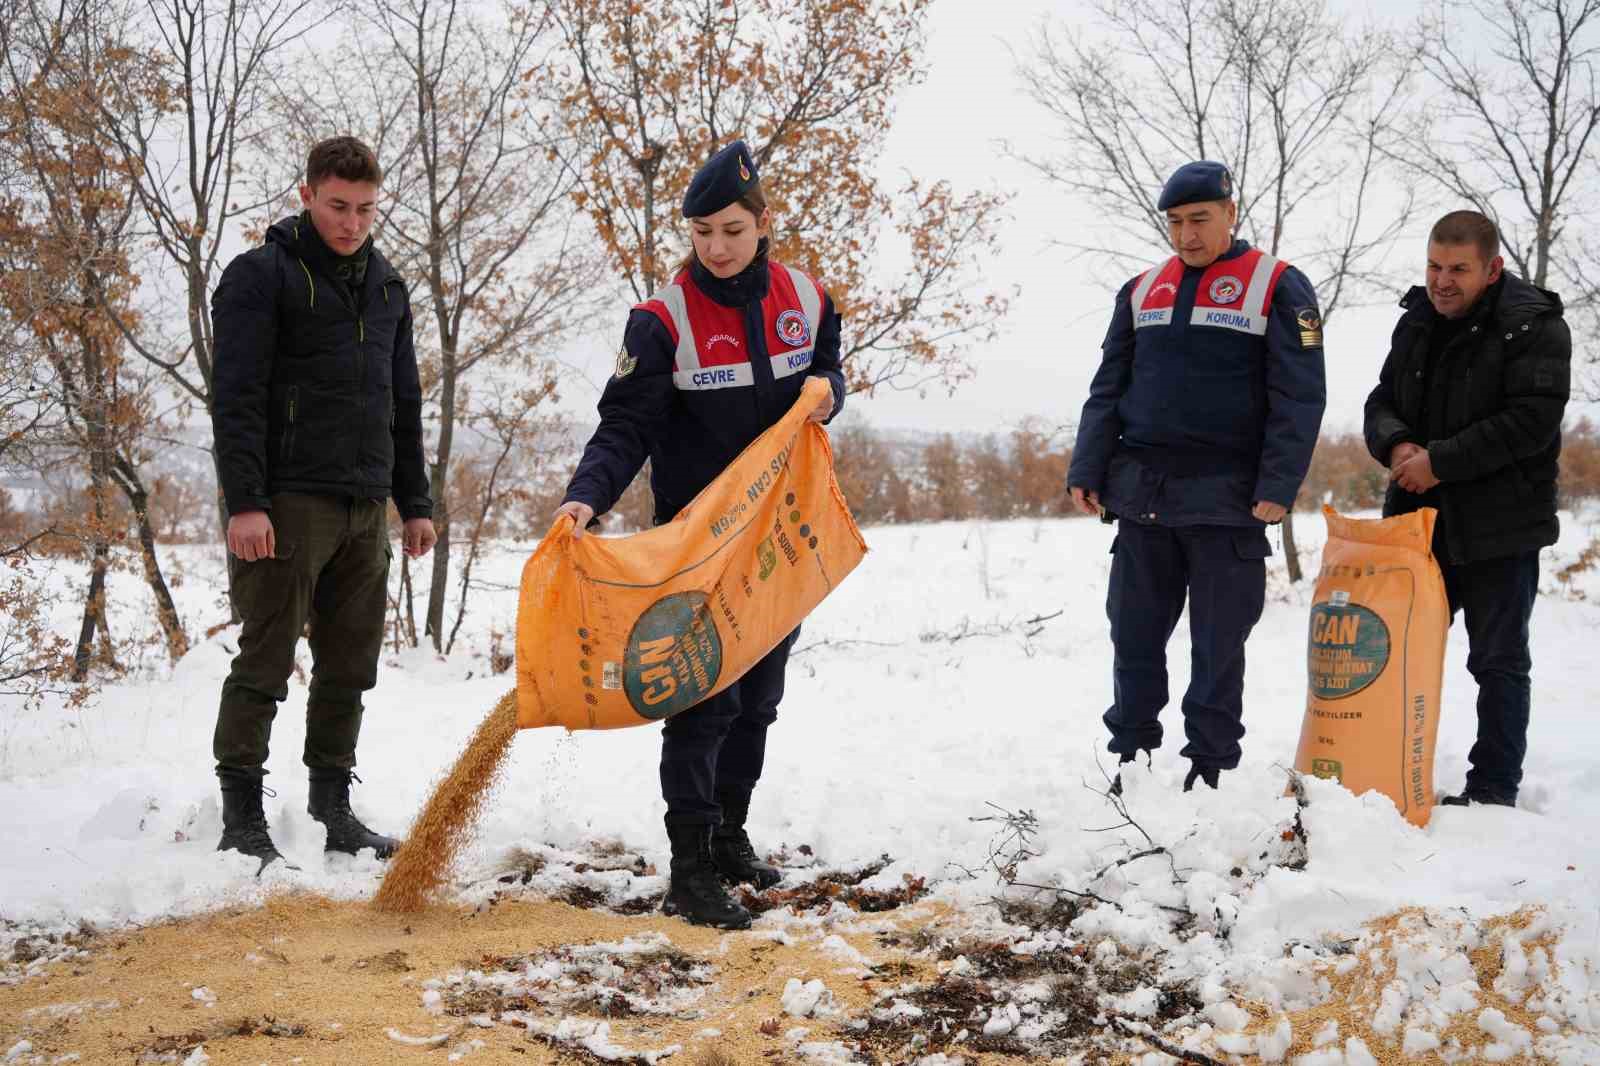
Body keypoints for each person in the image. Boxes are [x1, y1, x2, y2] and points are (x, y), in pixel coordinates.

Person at [556, 139, 844, 929]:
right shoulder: (661, 322)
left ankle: (729, 837)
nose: (715, 248)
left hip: (779, 540)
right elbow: (624, 428)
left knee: (758, 701)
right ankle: (689, 867)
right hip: (697, 545)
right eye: (700, 233)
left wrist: (830, 392)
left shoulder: (809, 299)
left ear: (762, 223)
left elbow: (829, 371)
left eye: (730, 230)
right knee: (703, 701)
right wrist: (587, 499)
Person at [210, 135, 436, 872]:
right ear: (307, 195)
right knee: (267, 657)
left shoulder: (389, 287)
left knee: (350, 662)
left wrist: (416, 501)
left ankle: (331, 807)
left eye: (366, 208)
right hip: (286, 503)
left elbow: (402, 401)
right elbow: (236, 399)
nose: (352, 222)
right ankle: (241, 814)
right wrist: (246, 501)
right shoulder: (261, 277)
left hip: (365, 505)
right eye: (338, 206)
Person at [1066, 160, 1326, 792]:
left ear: (1230, 213)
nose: (1186, 235)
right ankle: (1131, 757)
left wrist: (1277, 486)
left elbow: (1300, 396)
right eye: (1176, 222)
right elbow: (1109, 387)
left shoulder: (1280, 286)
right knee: (1133, 639)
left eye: (1199, 220)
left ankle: (1209, 770)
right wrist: (1088, 465)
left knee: (1216, 648)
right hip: (1143, 497)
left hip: (1228, 502)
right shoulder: (1140, 288)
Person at [1364, 210, 1570, 809]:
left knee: (1498, 661)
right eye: (1434, 265)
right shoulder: (1416, 322)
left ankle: (1492, 789)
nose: (1442, 280)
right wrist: (1398, 442)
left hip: (1500, 526)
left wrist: (1440, 462)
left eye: (1458, 268)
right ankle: (1387, 770)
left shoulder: (1534, 327)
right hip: (1417, 523)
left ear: (1493, 268)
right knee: (1396, 653)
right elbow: (1381, 398)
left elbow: (1529, 423)